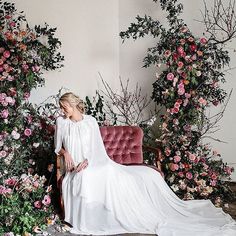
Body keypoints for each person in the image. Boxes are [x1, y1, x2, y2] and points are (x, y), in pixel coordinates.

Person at [54, 92, 236, 236]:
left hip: (93, 161)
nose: (63, 111)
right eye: (62, 109)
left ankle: (111, 214)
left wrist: (87, 161)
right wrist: (66, 153)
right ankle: (87, 219)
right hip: (73, 166)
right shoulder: (61, 122)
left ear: (73, 104)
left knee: (104, 173)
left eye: (65, 108)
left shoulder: (91, 121)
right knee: (83, 177)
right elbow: (57, 148)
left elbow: (96, 147)